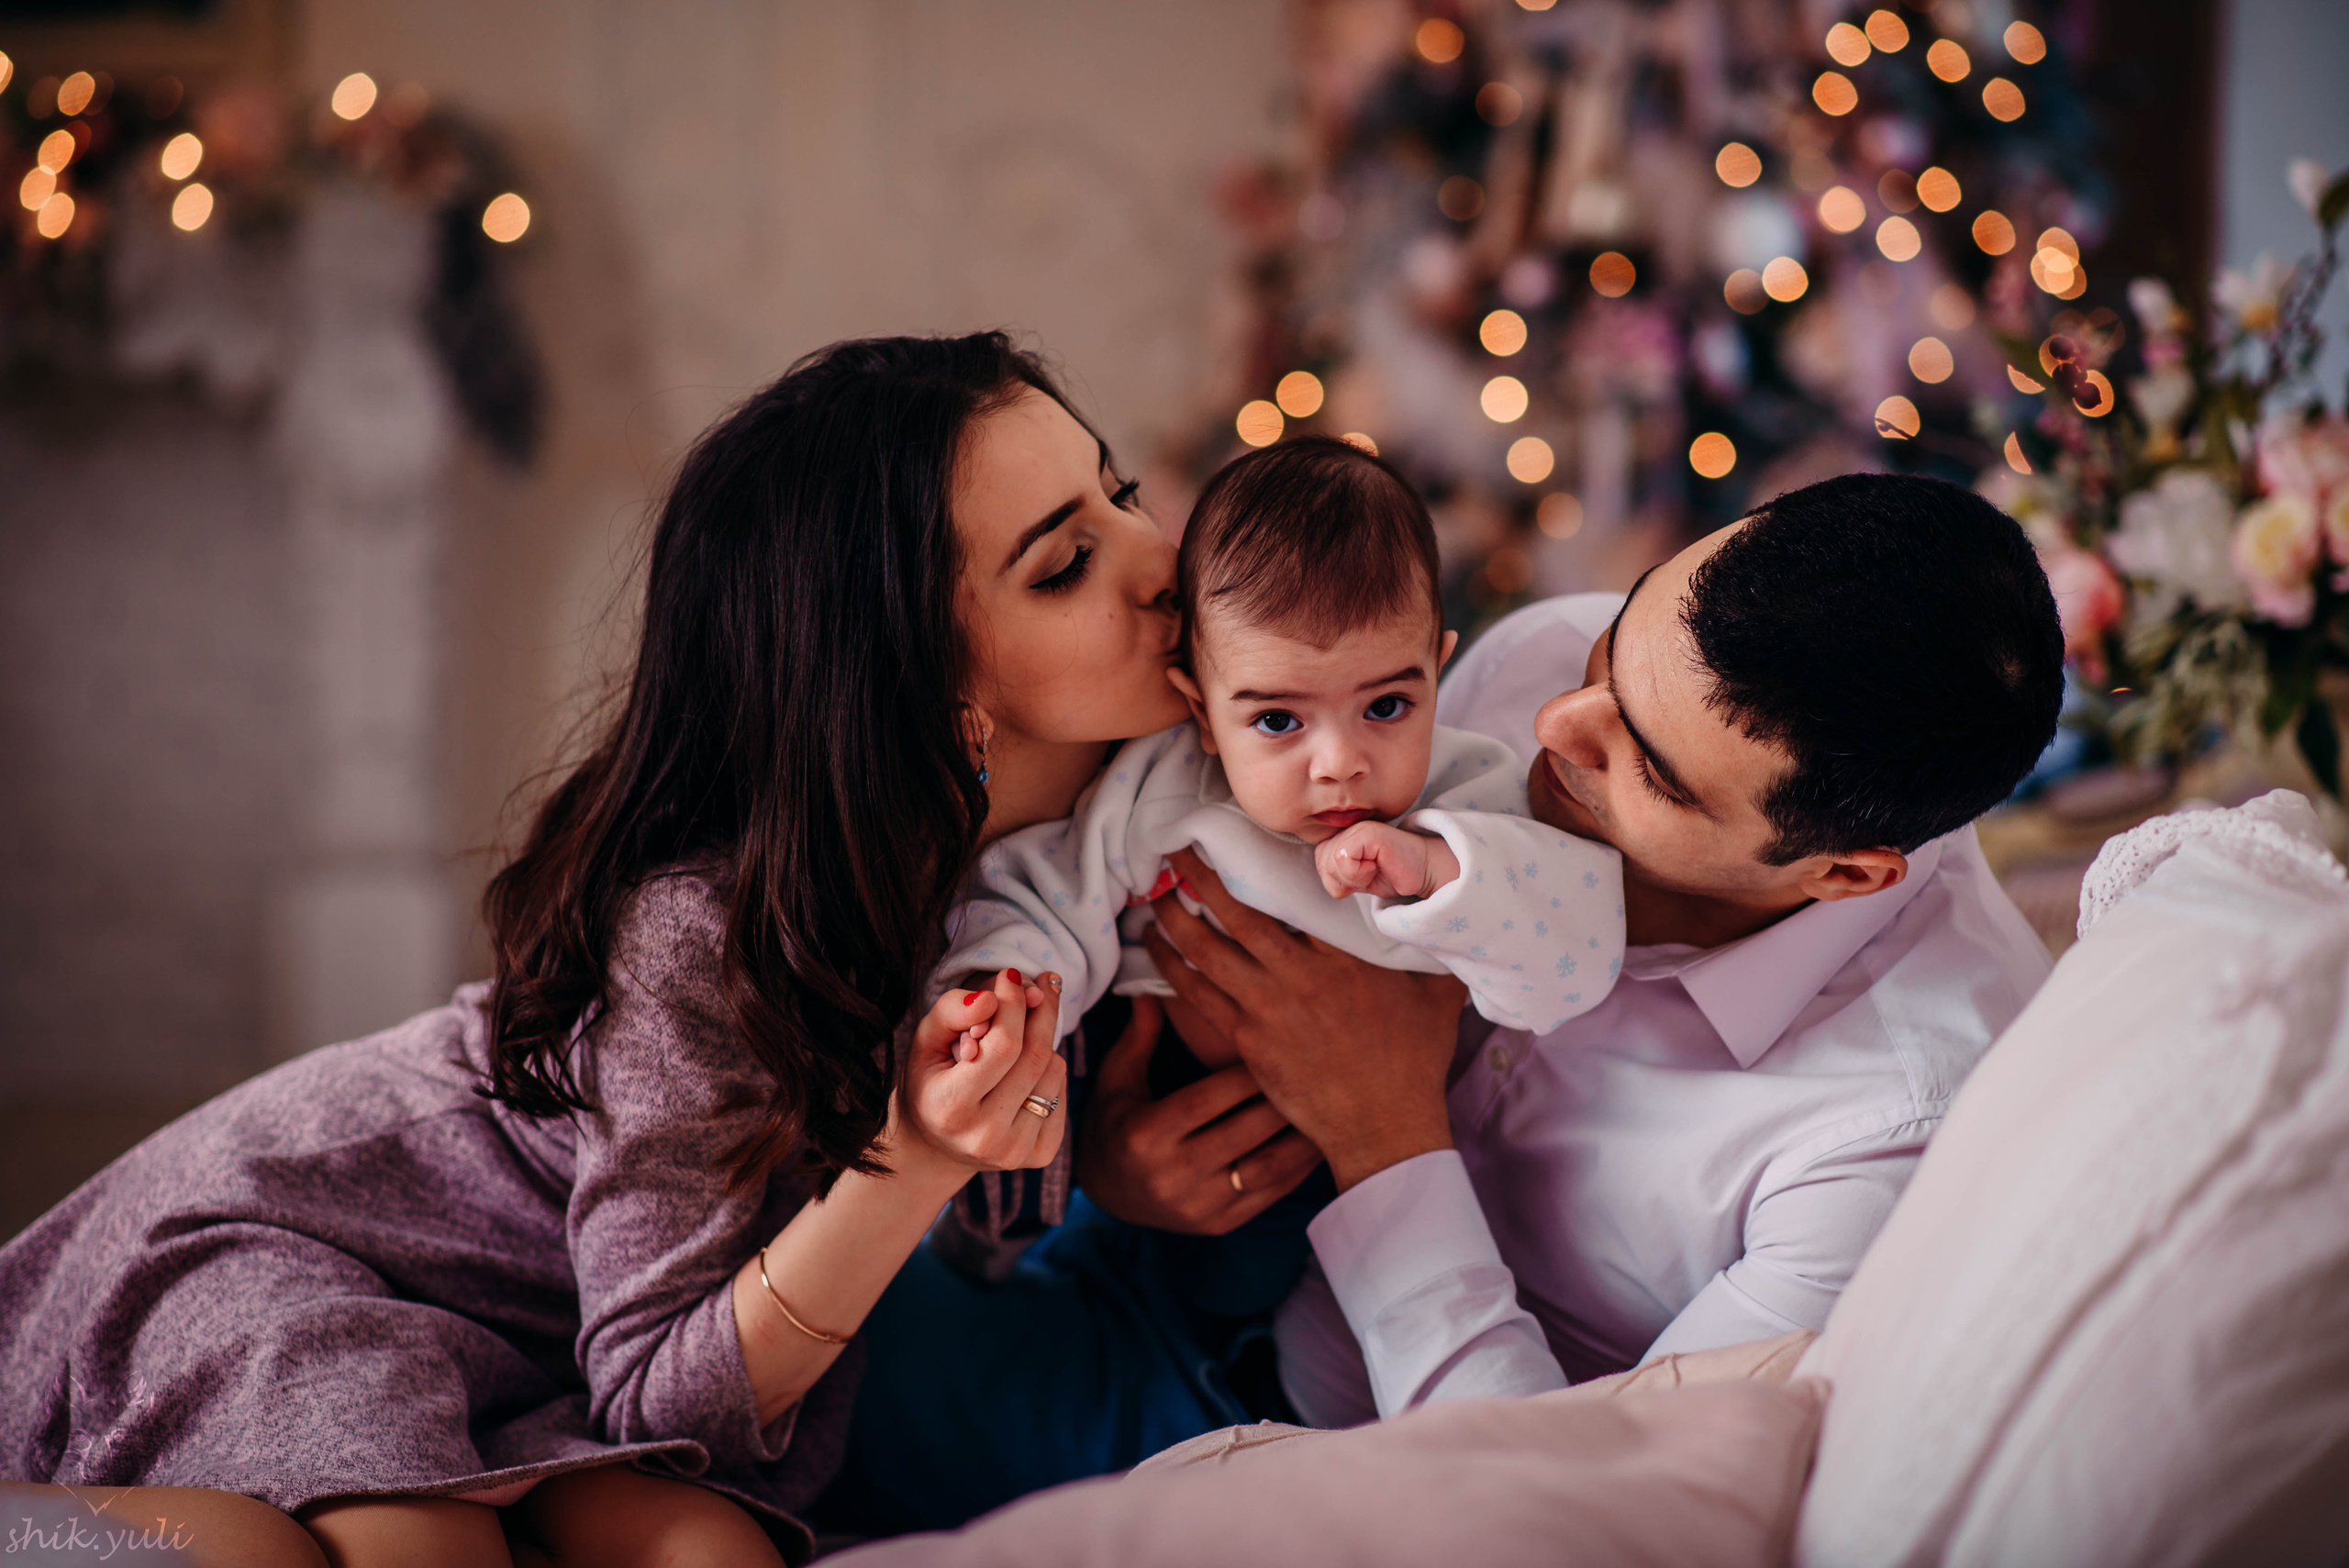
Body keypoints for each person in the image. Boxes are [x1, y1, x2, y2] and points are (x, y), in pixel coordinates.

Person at [0, 333, 1294, 1567]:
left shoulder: (1092, 845)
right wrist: (921, 1156)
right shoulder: (708, 928)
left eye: (1118, 489)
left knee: (707, 1552)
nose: (1161, 554)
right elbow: (666, 1384)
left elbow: (917, 1246)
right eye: (1065, 562)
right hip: (316, 1240)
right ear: (925, 686)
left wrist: (1095, 1173)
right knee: (400, 1550)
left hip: (532, 1351)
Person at [1134, 472, 2067, 1423]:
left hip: (1343, 1463)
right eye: (1612, 645)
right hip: (1164, 1256)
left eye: (1651, 770)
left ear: (1840, 874)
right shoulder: (1554, 657)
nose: (1554, 721)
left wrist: (1382, 1139)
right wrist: (1120, 1165)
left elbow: (1568, 1496)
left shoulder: (1889, 1150)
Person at [936, 435, 1626, 1051]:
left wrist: (1433, 870)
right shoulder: (1161, 786)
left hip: (1392, 1138)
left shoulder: (1468, 792)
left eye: (1386, 706)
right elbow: (1046, 892)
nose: (1339, 765)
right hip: (1172, 1105)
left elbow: (1578, 958)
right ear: (1202, 713)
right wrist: (1007, 995)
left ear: (1436, 675)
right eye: (1277, 721)